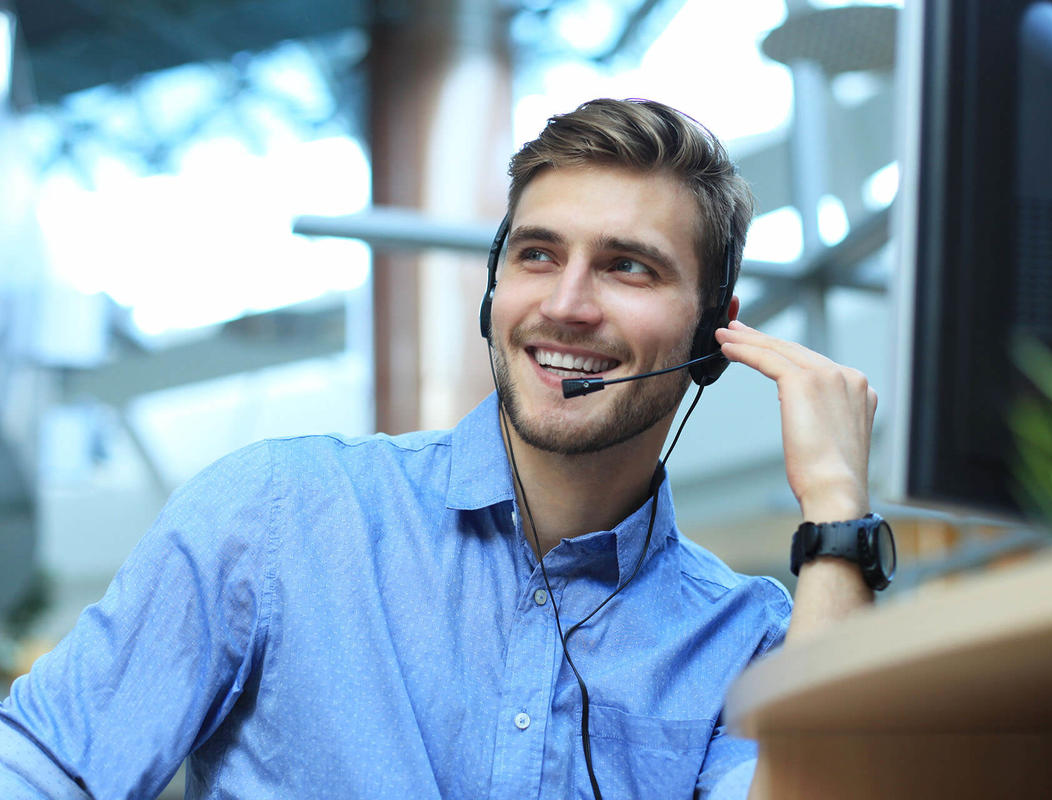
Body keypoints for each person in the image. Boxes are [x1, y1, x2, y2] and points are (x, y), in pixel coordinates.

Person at [0, 98, 884, 799]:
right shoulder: (274, 514)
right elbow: (43, 770)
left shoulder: (756, 642)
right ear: (495, 289)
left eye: (628, 267)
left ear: (714, 333)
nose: (567, 304)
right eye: (538, 255)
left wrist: (838, 512)